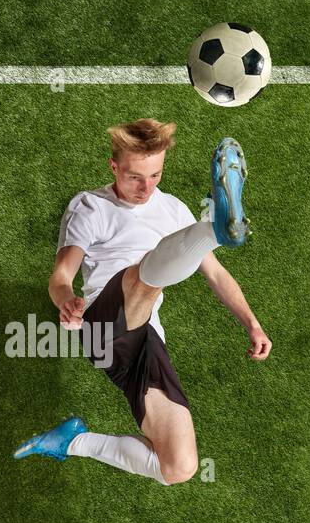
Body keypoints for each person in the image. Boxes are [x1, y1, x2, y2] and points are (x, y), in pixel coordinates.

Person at [13, 118, 270, 485]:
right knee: (140, 279)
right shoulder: (90, 207)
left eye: (155, 175)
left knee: (179, 467)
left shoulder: (172, 211)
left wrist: (252, 323)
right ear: (113, 167)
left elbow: (215, 275)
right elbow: (61, 276)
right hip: (101, 327)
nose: (145, 187)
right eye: (135, 176)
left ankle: (72, 442)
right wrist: (67, 300)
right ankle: (213, 227)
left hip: (147, 342)